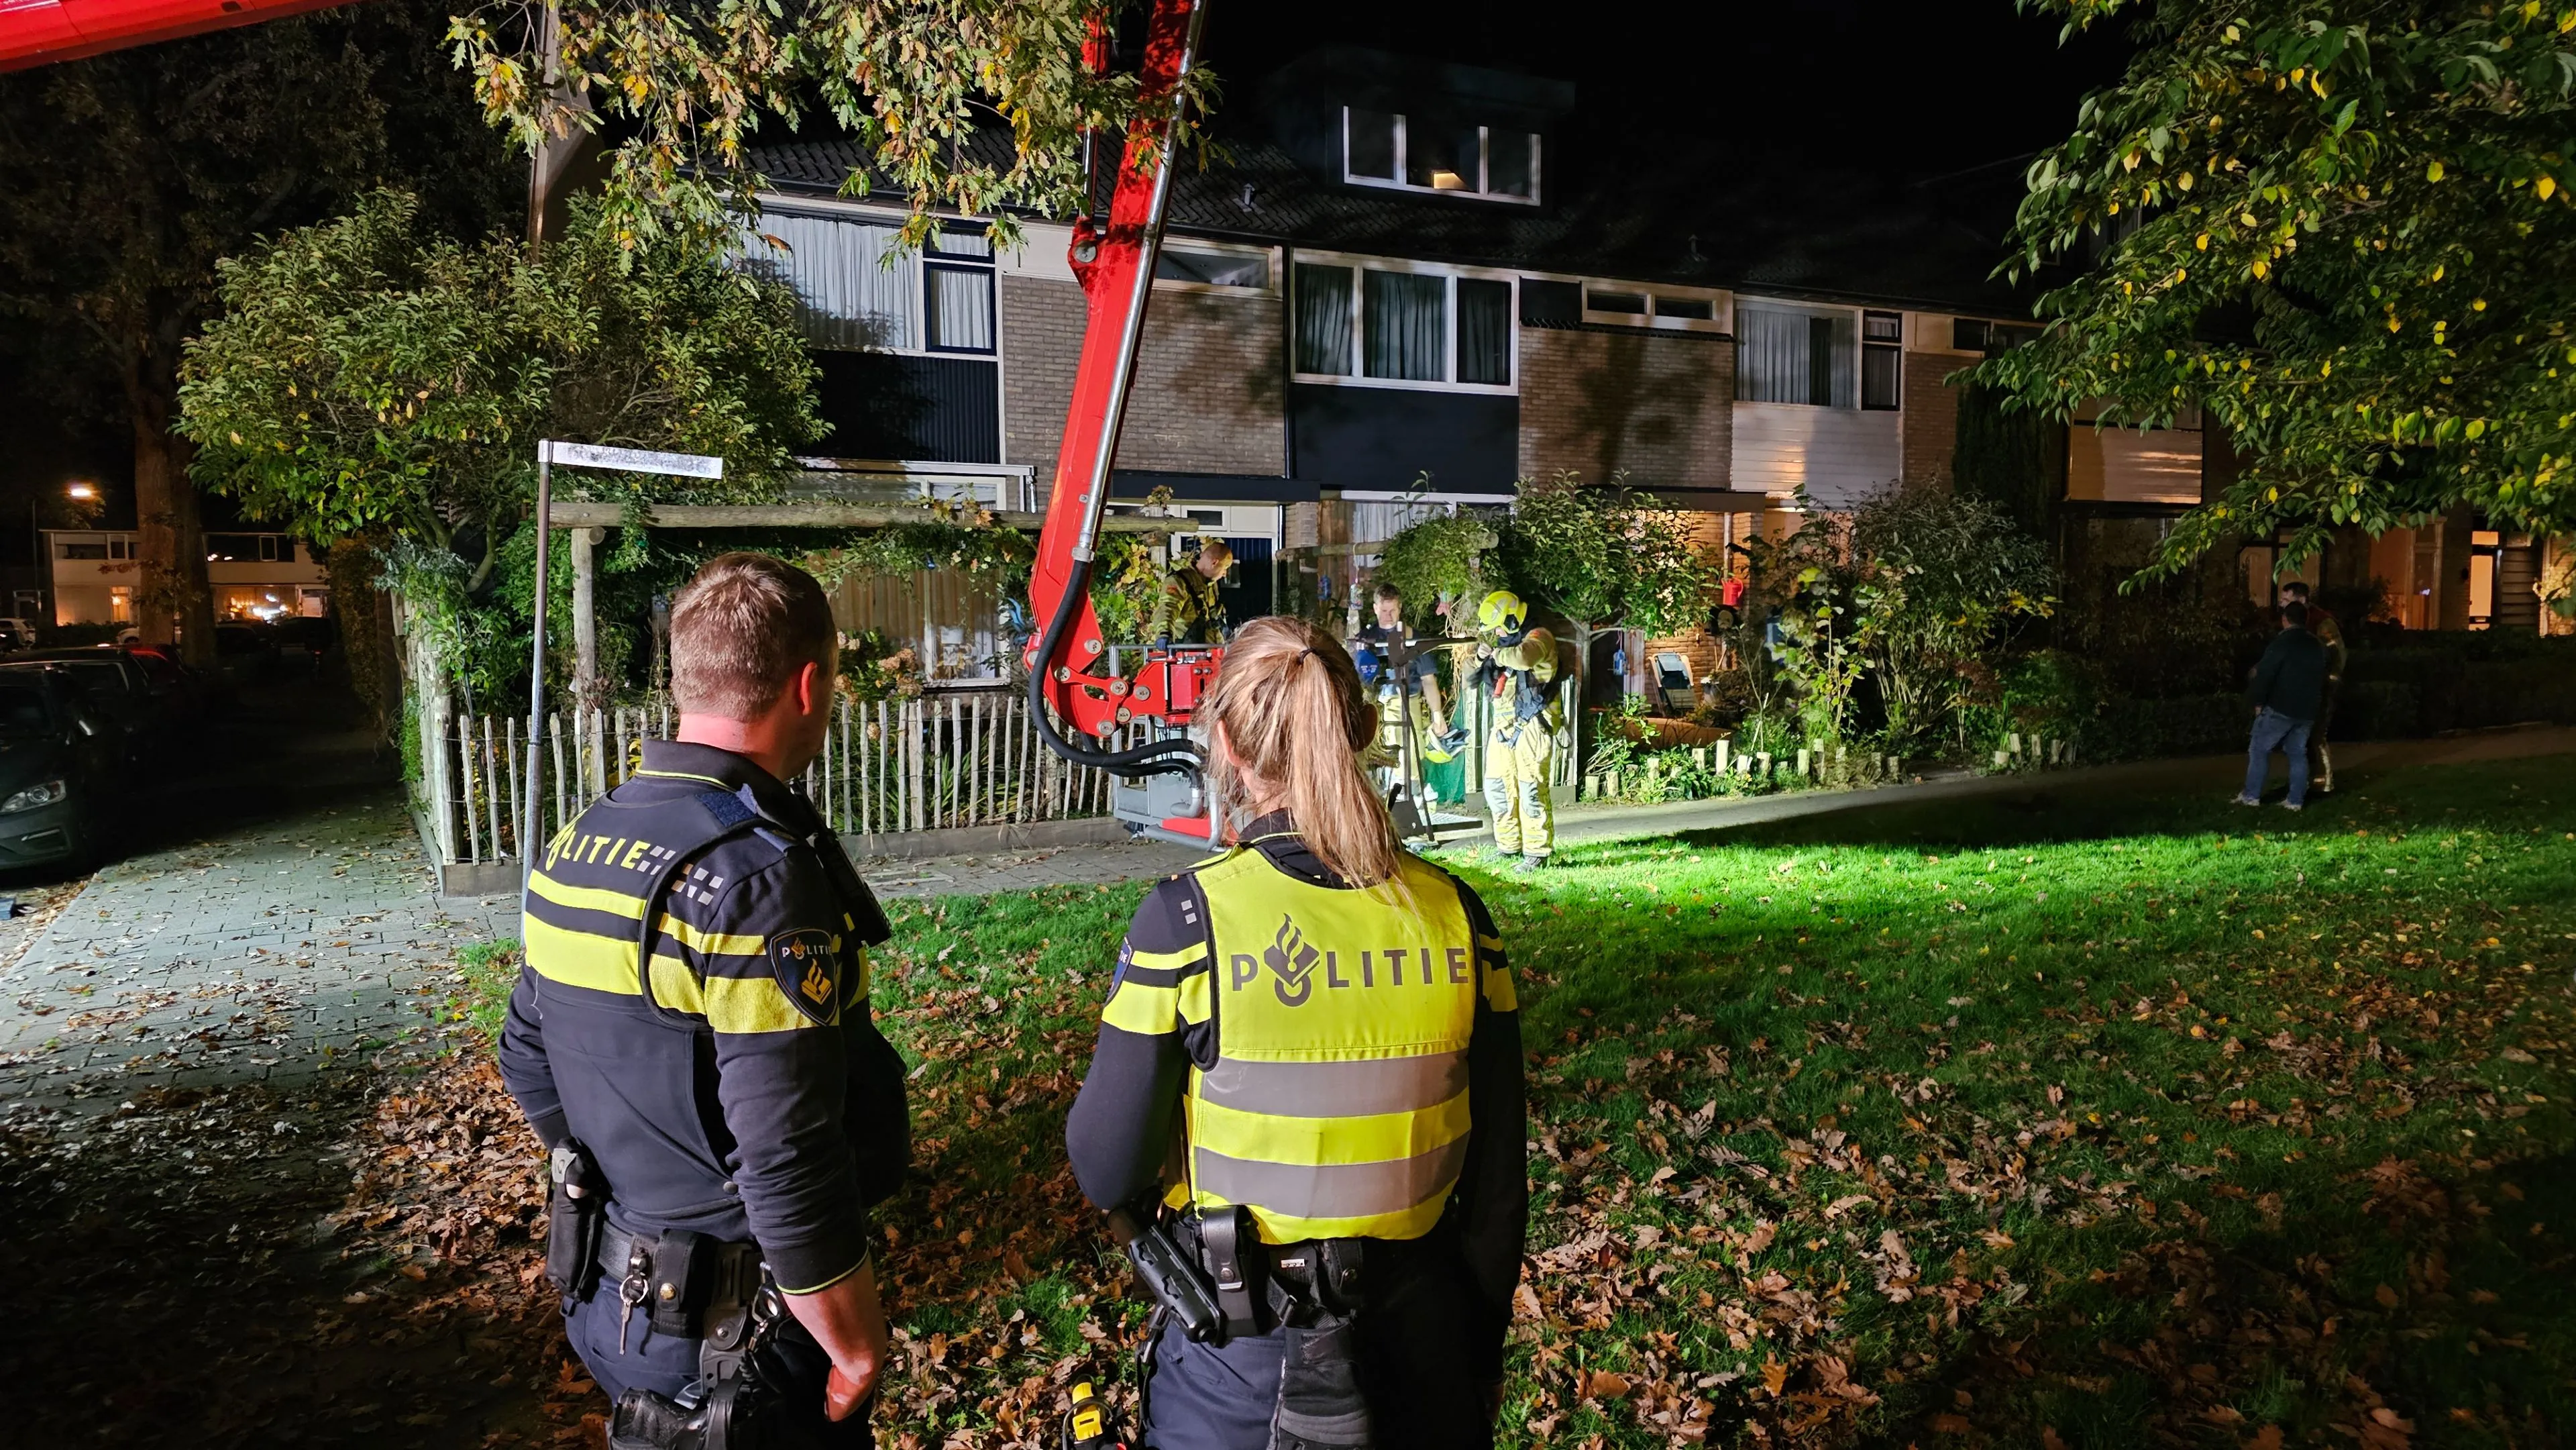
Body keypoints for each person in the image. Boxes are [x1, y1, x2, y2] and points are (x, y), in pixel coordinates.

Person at [1063, 616, 1527, 1450]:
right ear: (1363, 728)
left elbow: (1104, 1167)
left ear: (1229, 746)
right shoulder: (1461, 918)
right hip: (1421, 1364)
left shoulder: (1186, 924)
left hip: (1238, 1374)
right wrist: (1475, 1362)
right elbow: (1497, 1190)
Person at [500, 554, 908, 1445]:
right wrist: (854, 1341)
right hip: (738, 1339)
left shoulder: (580, 841)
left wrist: (626, 1171)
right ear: (809, 684)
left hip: (613, 1302)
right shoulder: (755, 879)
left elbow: (527, 1054)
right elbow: (786, 1149)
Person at [1466, 590, 1560, 870]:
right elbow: (1476, 675)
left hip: (1533, 725)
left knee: (1530, 788)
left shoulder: (1540, 637)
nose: (1496, 632)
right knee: (1497, 787)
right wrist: (1481, 658)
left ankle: (1537, 852)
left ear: (1511, 617)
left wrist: (1496, 654)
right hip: (1504, 728)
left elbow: (1523, 658)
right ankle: (1508, 846)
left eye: (1498, 625)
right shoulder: (1503, 646)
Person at [2236, 600, 2331, 811]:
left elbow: (2266, 674)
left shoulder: (2282, 643)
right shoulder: (2317, 645)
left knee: (2259, 748)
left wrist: (2257, 701)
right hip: (2307, 710)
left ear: (2285, 619)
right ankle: (2295, 800)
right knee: (2297, 753)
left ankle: (2251, 796)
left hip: (2281, 706)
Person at [1350, 580, 1454, 747]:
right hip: (1371, 706)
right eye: (1384, 610)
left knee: (1409, 762)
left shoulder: (1413, 638)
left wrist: (1437, 714)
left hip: (1407, 704)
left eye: (1393, 610)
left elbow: (1428, 679)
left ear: (1400, 609)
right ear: (1375, 608)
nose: (1388, 616)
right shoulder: (1364, 639)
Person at [2278, 580, 2347, 792]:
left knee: (2317, 734)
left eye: (2287, 599)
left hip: (2320, 687)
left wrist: (2329, 682)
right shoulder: (2296, 621)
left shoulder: (2323, 623)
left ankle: (2324, 781)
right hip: (2303, 687)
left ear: (2301, 599)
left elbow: (2338, 655)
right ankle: (2306, 778)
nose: (2282, 603)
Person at [1148, 539, 1233, 645]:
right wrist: (1164, 634)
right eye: (1225, 568)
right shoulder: (1179, 581)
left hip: (1211, 650)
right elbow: (1167, 608)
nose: (1224, 574)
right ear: (1214, 563)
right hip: (1187, 651)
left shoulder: (1211, 586)